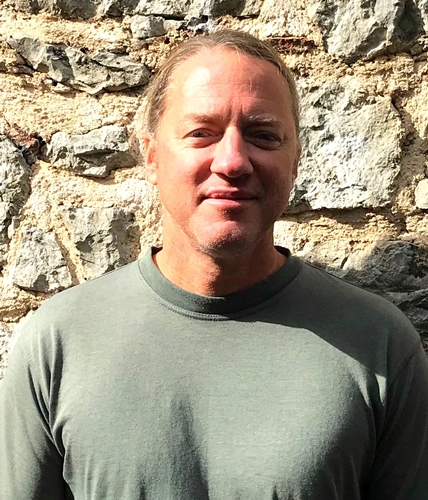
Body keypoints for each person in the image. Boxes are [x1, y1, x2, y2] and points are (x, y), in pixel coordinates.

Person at [1, 30, 427, 500]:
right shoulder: (58, 343)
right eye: (201, 132)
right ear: (151, 155)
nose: (232, 161)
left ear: (295, 161)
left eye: (263, 135)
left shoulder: (380, 345)